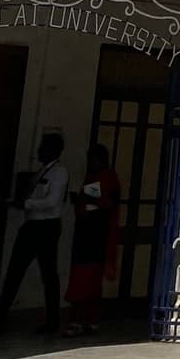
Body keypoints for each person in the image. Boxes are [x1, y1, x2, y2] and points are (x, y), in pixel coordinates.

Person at [0, 132, 68, 334]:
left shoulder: (59, 173)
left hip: (46, 227)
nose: (38, 151)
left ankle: (53, 321)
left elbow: (52, 201)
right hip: (32, 224)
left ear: (53, 150)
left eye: (43, 147)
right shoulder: (42, 171)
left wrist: (26, 203)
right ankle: (0, 316)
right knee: (15, 271)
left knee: (48, 274)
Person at [64, 143, 122, 336]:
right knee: (88, 282)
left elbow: (100, 204)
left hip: (94, 237)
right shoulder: (97, 178)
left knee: (85, 281)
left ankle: (81, 320)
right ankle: (87, 320)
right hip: (89, 236)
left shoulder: (105, 178)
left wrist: (83, 203)